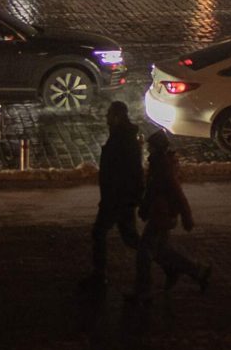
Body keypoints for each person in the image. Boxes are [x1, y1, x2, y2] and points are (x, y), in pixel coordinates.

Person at [130, 128, 210, 300]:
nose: (148, 149)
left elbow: (173, 191)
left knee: (144, 252)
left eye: (150, 146)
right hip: (163, 214)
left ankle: (143, 290)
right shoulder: (161, 163)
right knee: (162, 250)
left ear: (156, 148)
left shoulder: (162, 166)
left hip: (161, 216)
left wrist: (186, 215)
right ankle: (198, 271)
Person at [86, 102, 143, 285]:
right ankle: (179, 265)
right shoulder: (122, 136)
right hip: (119, 197)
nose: (106, 117)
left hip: (117, 198)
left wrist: (115, 197)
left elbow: (126, 172)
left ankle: (99, 274)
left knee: (100, 232)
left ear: (117, 117)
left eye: (109, 114)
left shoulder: (122, 140)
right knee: (131, 239)